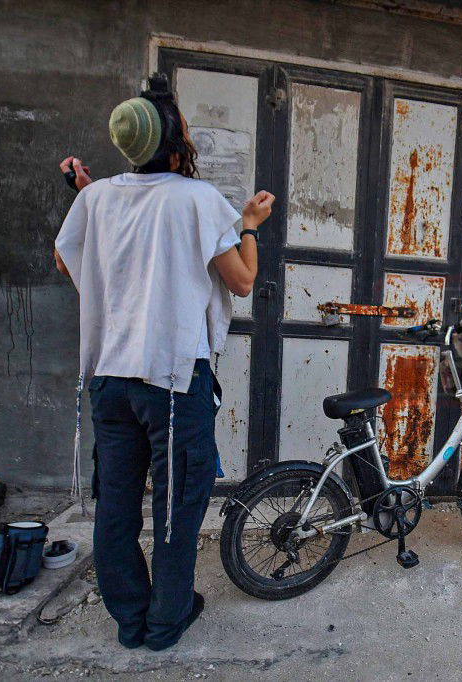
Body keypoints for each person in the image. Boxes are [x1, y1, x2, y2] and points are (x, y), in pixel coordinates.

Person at [53, 73, 274, 651]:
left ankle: (129, 618)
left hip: (110, 378)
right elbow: (243, 281)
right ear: (176, 143)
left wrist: (89, 195)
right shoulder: (199, 200)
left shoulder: (97, 197)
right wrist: (248, 225)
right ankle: (166, 619)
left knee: (118, 502)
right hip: (173, 381)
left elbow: (65, 258)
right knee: (176, 502)